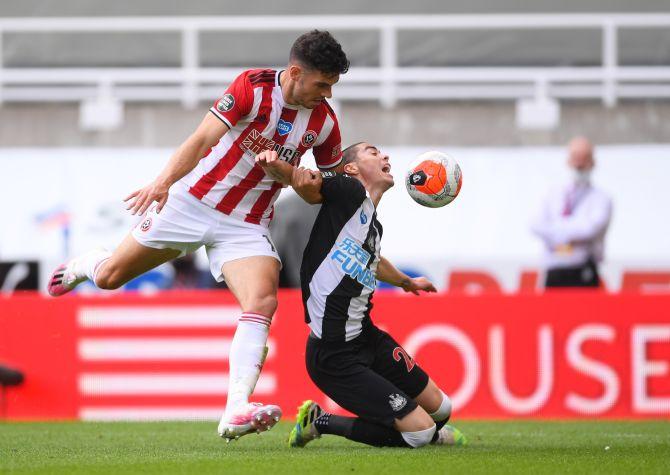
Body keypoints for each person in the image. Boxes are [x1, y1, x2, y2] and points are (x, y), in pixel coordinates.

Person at [46, 30, 350, 440]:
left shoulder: (325, 123)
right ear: (295, 72)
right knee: (110, 278)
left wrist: (291, 175)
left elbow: (322, 194)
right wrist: (162, 183)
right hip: (191, 204)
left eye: (332, 85)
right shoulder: (252, 86)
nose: (327, 94)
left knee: (263, 299)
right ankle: (89, 262)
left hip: (247, 223)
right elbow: (202, 138)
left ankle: (236, 408)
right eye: (322, 84)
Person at [257, 143, 467, 449]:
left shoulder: (371, 223)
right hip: (334, 355)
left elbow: (375, 260)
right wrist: (274, 165)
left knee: (442, 409)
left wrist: (406, 282)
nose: (385, 156)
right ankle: (320, 421)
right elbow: (306, 182)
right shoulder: (347, 191)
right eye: (373, 152)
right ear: (352, 168)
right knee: (420, 433)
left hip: (368, 338)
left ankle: (421, 429)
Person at [531, 137, 613, 288]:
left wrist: (556, 231)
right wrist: (571, 232)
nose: (580, 164)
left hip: (583, 270)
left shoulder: (601, 198)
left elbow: (589, 230)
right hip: (554, 269)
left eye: (585, 158)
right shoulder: (553, 194)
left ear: (593, 162)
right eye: (576, 157)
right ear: (568, 161)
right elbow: (536, 225)